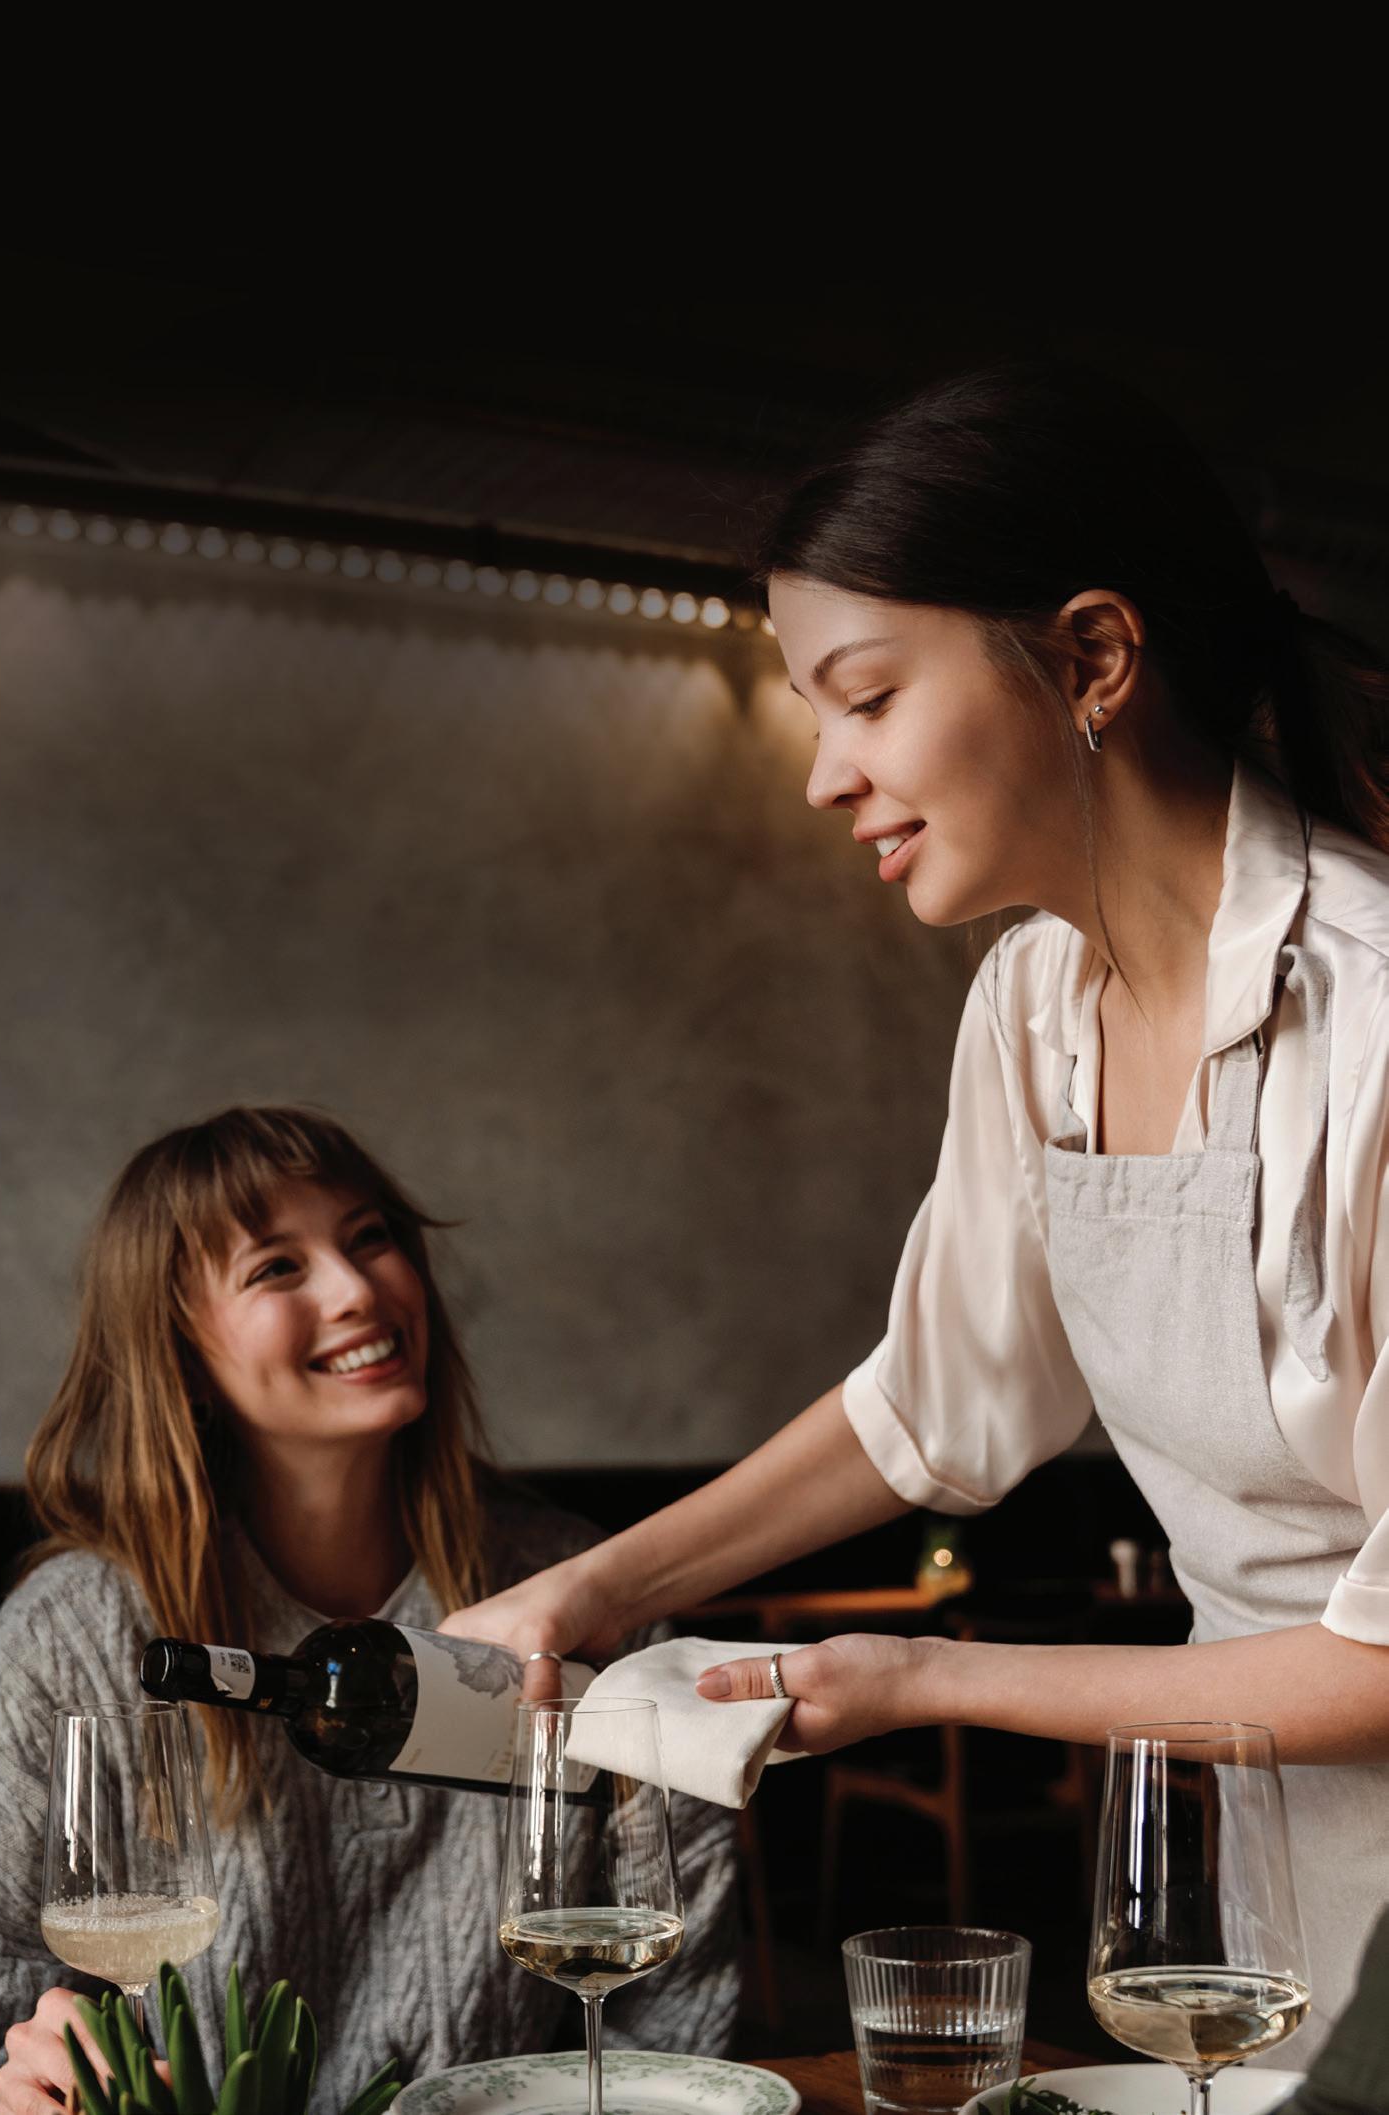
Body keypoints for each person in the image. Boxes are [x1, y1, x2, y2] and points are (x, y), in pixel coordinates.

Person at [439, 358, 1389, 2062]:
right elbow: (932, 1411)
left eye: (864, 697)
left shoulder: (1376, 1017)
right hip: (1279, 1864)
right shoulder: (1034, 1005)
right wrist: (595, 1589)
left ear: (1091, 658)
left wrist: (927, 1676)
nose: (824, 775)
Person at [0, 1107, 741, 2115]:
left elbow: (682, 2017)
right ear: (180, 1349)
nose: (357, 1290)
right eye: (276, 1268)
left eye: (369, 1238)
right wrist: (22, 2085)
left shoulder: (584, 1601)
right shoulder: (69, 1636)